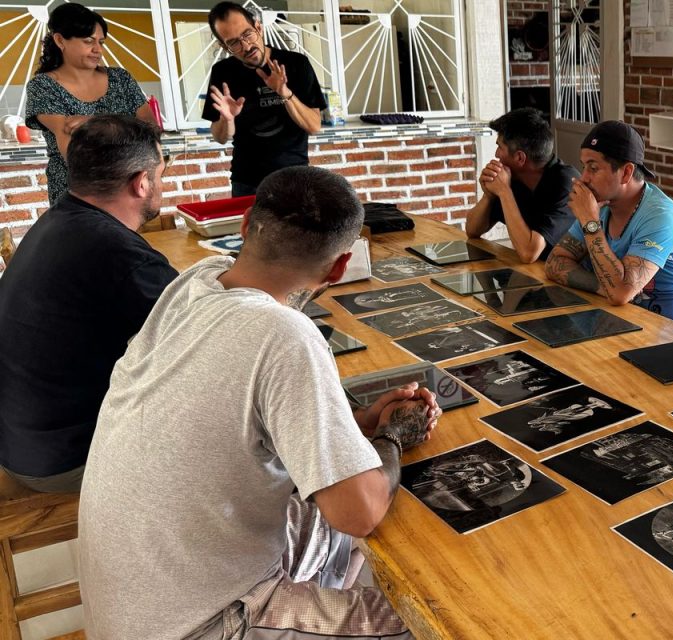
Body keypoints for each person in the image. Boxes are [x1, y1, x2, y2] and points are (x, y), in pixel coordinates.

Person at [78, 166, 441, 638]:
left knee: (328, 523)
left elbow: (240, 413)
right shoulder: (286, 335)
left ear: (246, 224)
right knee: (432, 625)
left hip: (132, 600)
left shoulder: (195, 283)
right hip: (199, 624)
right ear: (338, 267)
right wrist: (393, 436)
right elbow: (360, 511)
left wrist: (358, 426)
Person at [0, 115, 176, 493]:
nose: (163, 179)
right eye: (162, 170)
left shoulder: (58, 221)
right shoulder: (119, 254)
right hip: (65, 461)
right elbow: (214, 338)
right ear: (141, 182)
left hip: (24, 441)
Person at [544, 120, 673, 331]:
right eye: (584, 166)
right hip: (623, 324)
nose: (583, 178)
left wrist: (590, 223)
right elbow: (554, 262)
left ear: (626, 173)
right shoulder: (600, 205)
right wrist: (602, 286)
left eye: (593, 168)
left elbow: (621, 293)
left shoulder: (660, 217)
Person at [24, 2, 156, 205]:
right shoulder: (43, 86)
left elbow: (151, 128)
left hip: (130, 186)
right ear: (60, 40)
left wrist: (96, 122)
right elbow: (73, 150)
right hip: (77, 192)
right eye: (88, 41)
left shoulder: (120, 79)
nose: (98, 49)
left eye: (101, 42)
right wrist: (127, 127)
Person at [203, 1, 325, 197]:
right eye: (234, 42)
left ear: (258, 27)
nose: (246, 46)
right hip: (247, 182)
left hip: (295, 179)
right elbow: (220, 137)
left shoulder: (296, 64)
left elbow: (314, 126)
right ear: (224, 47)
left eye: (247, 34)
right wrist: (227, 119)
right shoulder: (223, 72)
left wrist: (284, 92)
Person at [464, 108, 579, 262]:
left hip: (572, 277)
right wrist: (489, 195)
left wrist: (504, 192)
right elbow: (472, 230)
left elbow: (529, 253)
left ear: (519, 158)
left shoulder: (565, 183)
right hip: (534, 273)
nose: (496, 154)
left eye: (500, 147)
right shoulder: (512, 178)